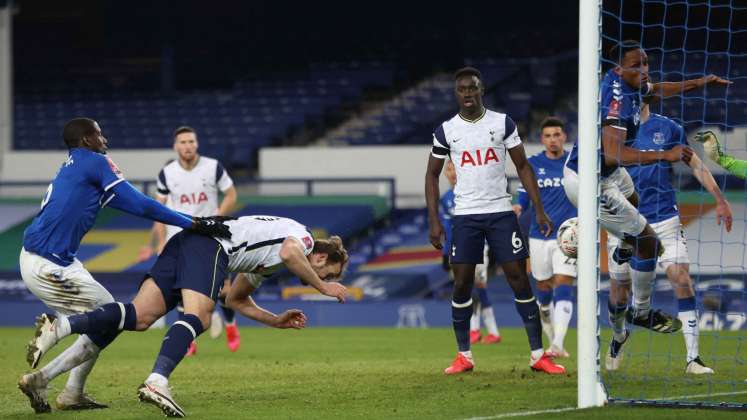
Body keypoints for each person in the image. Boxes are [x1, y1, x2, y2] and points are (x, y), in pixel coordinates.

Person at [25, 215, 348, 418]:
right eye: (328, 272)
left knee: (140, 316)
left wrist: (275, 320)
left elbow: (236, 299)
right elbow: (293, 253)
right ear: (319, 256)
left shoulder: (269, 260)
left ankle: (61, 326)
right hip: (211, 245)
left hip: (188, 241)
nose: (325, 279)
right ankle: (157, 382)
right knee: (201, 315)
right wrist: (323, 288)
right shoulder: (302, 239)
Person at [17, 118, 231, 414]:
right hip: (49, 263)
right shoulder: (95, 162)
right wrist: (193, 222)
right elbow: (143, 205)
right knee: (112, 317)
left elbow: (131, 204)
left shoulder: (76, 167)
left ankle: (65, 388)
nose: (104, 138)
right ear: (86, 140)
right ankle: (56, 382)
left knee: (105, 320)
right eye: (98, 134)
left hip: (49, 259)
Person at [563, 40, 730, 369]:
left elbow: (661, 89)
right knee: (645, 246)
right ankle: (638, 315)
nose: (644, 71)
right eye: (636, 66)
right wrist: (664, 155)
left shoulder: (637, 92)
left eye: (646, 65)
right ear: (618, 68)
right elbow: (614, 154)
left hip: (617, 181)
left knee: (636, 208)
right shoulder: (617, 104)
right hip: (591, 180)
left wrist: (700, 82)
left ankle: (691, 356)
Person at [426, 66, 565, 375]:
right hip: (465, 216)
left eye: (472, 88)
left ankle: (538, 354)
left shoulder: (502, 123)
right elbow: (432, 175)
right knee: (462, 284)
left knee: (518, 279)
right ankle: (464, 355)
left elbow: (523, 166)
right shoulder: (446, 131)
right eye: (462, 89)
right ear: (456, 93)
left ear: (481, 89)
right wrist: (434, 220)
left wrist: (539, 209)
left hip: (501, 212)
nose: (467, 94)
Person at [606, 102, 732, 374]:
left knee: (681, 277)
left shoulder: (669, 128)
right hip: (623, 221)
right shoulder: (611, 130)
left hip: (664, 218)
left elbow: (696, 164)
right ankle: (618, 336)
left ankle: (693, 359)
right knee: (619, 294)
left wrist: (719, 199)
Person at [148, 126, 240, 355]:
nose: (187, 146)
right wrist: (160, 242)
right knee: (181, 290)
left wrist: (217, 218)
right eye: (183, 142)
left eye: (191, 141)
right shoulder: (167, 173)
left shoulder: (213, 167)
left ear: (196, 144)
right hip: (179, 238)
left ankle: (230, 324)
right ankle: (189, 341)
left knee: (223, 289)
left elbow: (231, 195)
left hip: (209, 235)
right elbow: (158, 209)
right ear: (175, 146)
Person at [513, 117, 577, 358]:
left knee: (563, 282)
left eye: (557, 134)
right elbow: (523, 196)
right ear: (542, 139)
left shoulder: (575, 162)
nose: (553, 139)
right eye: (548, 135)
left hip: (569, 234)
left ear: (564, 136)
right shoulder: (533, 164)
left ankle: (558, 344)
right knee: (543, 287)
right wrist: (518, 208)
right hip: (538, 236)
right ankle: (553, 340)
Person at [439, 159, 502, 345]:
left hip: (478, 245)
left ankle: (474, 330)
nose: (451, 172)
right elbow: (447, 227)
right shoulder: (446, 198)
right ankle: (492, 332)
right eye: (448, 169)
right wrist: (445, 253)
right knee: (477, 288)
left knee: (471, 286)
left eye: (455, 168)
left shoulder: (474, 193)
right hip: (457, 248)